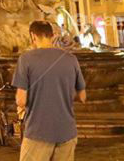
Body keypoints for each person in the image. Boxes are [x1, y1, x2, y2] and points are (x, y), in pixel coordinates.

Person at [13, 20, 86, 161]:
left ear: (33, 36)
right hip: (67, 131)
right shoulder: (71, 59)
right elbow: (82, 96)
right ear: (52, 36)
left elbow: (21, 101)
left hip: (38, 132)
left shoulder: (26, 59)